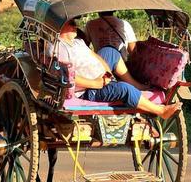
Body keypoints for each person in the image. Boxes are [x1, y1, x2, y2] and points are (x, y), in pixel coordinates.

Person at [51, 18, 180, 120]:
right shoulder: (59, 48)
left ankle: (136, 85)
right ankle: (161, 111)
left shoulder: (78, 42)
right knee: (124, 88)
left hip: (101, 78)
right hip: (88, 89)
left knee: (110, 50)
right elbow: (67, 76)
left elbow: (94, 55)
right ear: (61, 26)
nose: (76, 26)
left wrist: (107, 72)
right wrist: (96, 83)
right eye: (72, 23)